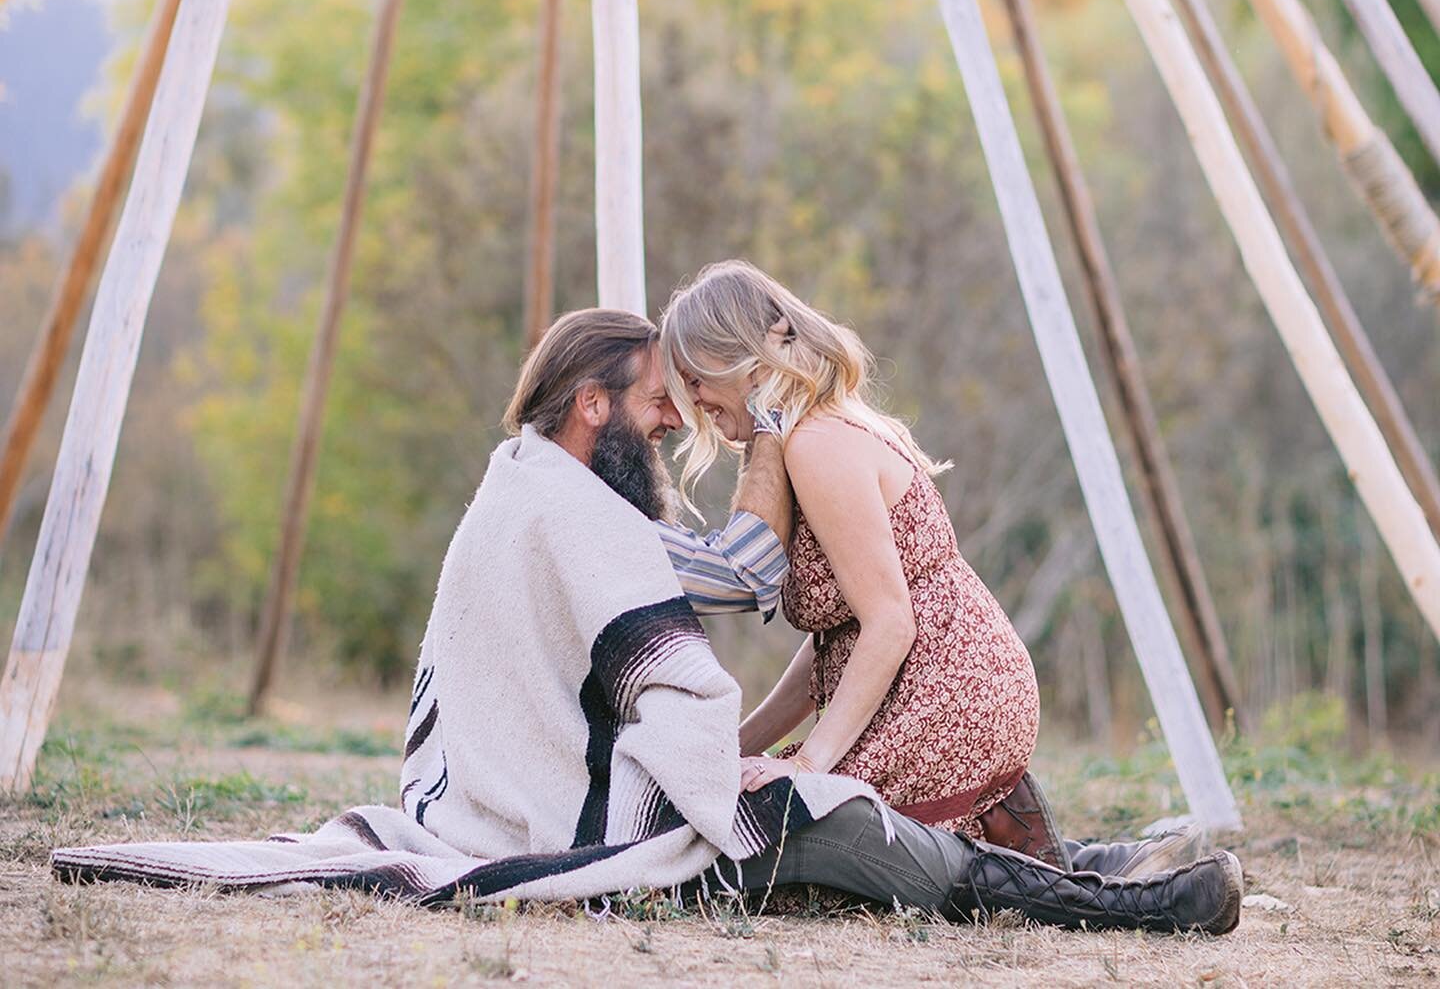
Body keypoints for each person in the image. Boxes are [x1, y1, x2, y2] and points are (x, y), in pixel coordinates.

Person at [53, 309, 1242, 934]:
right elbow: (731, 582)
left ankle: (1091, 881)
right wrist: (769, 459)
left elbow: (709, 602)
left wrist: (741, 753)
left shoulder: (537, 487)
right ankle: (1111, 903)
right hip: (574, 806)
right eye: (658, 406)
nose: (674, 425)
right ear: (591, 406)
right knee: (811, 813)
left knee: (808, 803)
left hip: (568, 782)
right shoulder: (560, 503)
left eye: (690, 402)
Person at [660, 260, 1201, 875]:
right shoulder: (813, 435)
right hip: (940, 686)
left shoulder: (818, 445)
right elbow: (838, 642)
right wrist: (743, 746)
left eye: (694, 378)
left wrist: (809, 766)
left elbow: (889, 622)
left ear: (743, 357)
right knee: (763, 822)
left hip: (945, 697)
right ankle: (1096, 861)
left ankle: (1087, 875)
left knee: (782, 851)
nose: (693, 401)